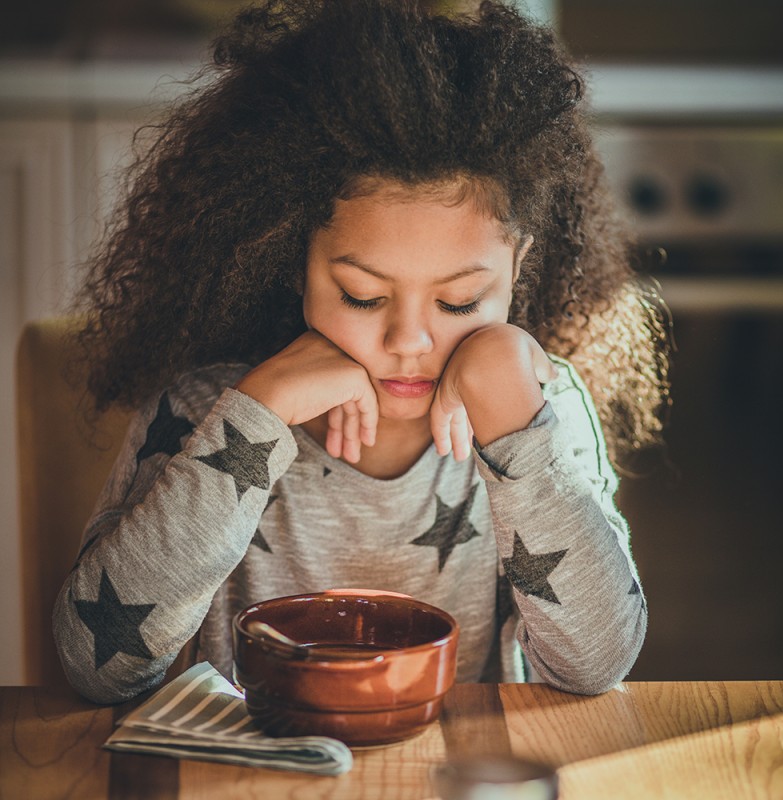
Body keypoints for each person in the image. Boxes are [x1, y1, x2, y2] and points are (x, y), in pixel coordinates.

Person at [53, 0, 669, 704]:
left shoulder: (540, 408)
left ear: (518, 265)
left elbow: (596, 665)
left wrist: (519, 425)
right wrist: (261, 410)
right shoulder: (206, 413)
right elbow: (93, 669)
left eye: (460, 302)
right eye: (362, 296)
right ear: (291, 262)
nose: (409, 342)